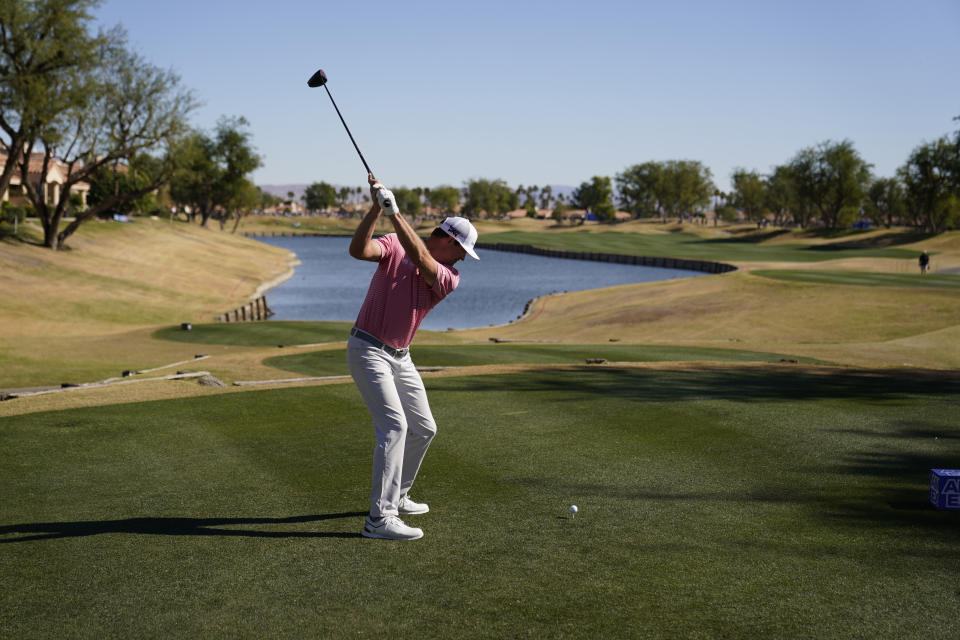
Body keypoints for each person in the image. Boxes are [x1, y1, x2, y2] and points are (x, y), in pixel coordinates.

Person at [347, 173, 479, 540]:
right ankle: (379, 519)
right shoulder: (393, 243)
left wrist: (395, 213)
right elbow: (359, 250)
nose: (463, 261)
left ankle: (399, 494)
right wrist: (377, 210)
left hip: (401, 357)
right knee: (394, 427)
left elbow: (421, 258)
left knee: (424, 427)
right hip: (367, 348)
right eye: (462, 251)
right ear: (449, 241)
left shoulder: (448, 276)